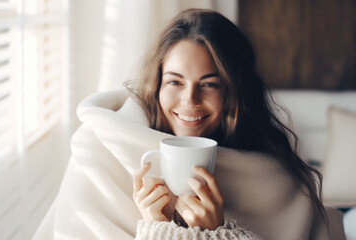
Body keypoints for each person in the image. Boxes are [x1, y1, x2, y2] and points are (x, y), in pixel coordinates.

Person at [126, 8, 339, 240]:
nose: (190, 100)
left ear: (234, 92)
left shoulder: (284, 187)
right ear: (156, 87)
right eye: (175, 82)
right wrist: (157, 225)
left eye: (209, 84)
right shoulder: (113, 155)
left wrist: (217, 234)